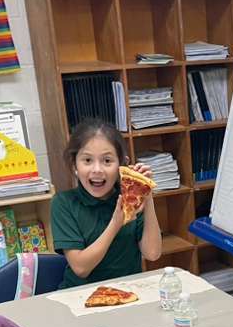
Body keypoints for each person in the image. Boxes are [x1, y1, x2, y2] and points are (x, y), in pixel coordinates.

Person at [51, 118, 162, 289]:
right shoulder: (64, 203)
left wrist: (147, 195)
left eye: (107, 161)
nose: (97, 169)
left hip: (129, 292)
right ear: (75, 165)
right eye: (87, 160)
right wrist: (116, 223)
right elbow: (81, 268)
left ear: (121, 164)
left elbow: (153, 253)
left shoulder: (129, 199)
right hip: (80, 295)